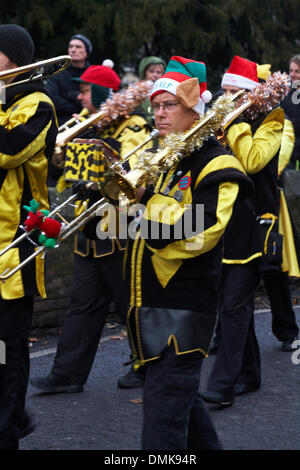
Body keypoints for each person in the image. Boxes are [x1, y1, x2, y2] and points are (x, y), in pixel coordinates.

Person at [122, 56, 253, 449]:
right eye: (155, 106)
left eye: (169, 106)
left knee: (162, 427)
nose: (159, 115)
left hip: (182, 312)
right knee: (181, 409)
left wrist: (145, 202)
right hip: (150, 307)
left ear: (194, 109)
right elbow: (133, 227)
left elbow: (203, 231)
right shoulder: (164, 159)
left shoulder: (217, 162)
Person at [30, 65, 152, 395]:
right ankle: (67, 374)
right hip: (90, 227)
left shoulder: (135, 126)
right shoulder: (88, 126)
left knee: (132, 302)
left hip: (121, 228)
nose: (80, 97)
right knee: (82, 305)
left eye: (85, 91)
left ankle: (149, 365)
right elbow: (69, 174)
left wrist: (100, 182)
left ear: (100, 95)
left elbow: (134, 172)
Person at [200, 55, 285, 407]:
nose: (227, 97)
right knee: (231, 304)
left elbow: (251, 161)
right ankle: (249, 374)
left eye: (236, 91)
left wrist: (232, 122)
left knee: (234, 305)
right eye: (225, 91)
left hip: (253, 225)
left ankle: (222, 384)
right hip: (222, 223)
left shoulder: (272, 120)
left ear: (251, 93)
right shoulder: (216, 123)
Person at [0, 24, 58, 449]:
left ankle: (8, 429)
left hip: (14, 244)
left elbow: (8, 151)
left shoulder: (38, 103)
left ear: (13, 60)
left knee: (7, 349)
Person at [46, 33, 92, 186]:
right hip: (61, 129)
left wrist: (66, 96)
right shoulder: (57, 74)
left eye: (78, 47)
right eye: (71, 46)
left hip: (86, 131)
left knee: (80, 180)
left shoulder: (93, 73)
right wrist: (77, 100)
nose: (73, 50)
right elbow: (52, 100)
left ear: (87, 52)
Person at [281, 55, 300, 170]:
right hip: (289, 148)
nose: (292, 74)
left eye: (297, 71)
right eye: (291, 70)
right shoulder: (285, 94)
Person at [137, 56, 166, 127]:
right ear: (144, 72)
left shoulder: (166, 91)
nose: (155, 75)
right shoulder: (136, 92)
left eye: (158, 72)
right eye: (151, 71)